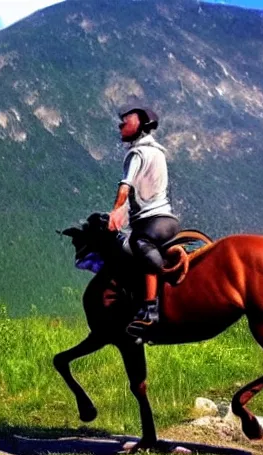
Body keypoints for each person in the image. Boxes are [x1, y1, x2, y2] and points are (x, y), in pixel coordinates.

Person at [108, 103, 180, 338]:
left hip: (150, 222)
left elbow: (125, 187)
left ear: (139, 127)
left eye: (125, 123)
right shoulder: (159, 151)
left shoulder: (136, 153)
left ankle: (150, 310)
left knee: (139, 245)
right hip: (167, 220)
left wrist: (114, 212)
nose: (120, 126)